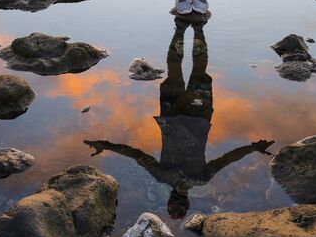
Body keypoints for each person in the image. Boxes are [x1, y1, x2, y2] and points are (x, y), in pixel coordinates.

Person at [85, 17, 274, 219]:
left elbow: (229, 158)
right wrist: (106, 145)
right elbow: (135, 154)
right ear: (176, 199)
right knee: (177, 69)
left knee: (195, 70)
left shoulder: (198, 179)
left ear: (187, 200)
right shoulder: (169, 176)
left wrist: (254, 147)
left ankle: (194, 29)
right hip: (174, 114)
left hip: (196, 114)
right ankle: (183, 29)